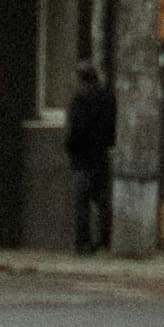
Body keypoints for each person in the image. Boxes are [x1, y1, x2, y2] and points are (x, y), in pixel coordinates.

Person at [62, 60, 115, 253]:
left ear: (80, 77)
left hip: (83, 157)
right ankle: (106, 240)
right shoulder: (107, 96)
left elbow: (76, 129)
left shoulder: (79, 98)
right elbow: (112, 127)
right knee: (102, 201)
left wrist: (70, 147)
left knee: (82, 202)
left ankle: (82, 243)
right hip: (101, 155)